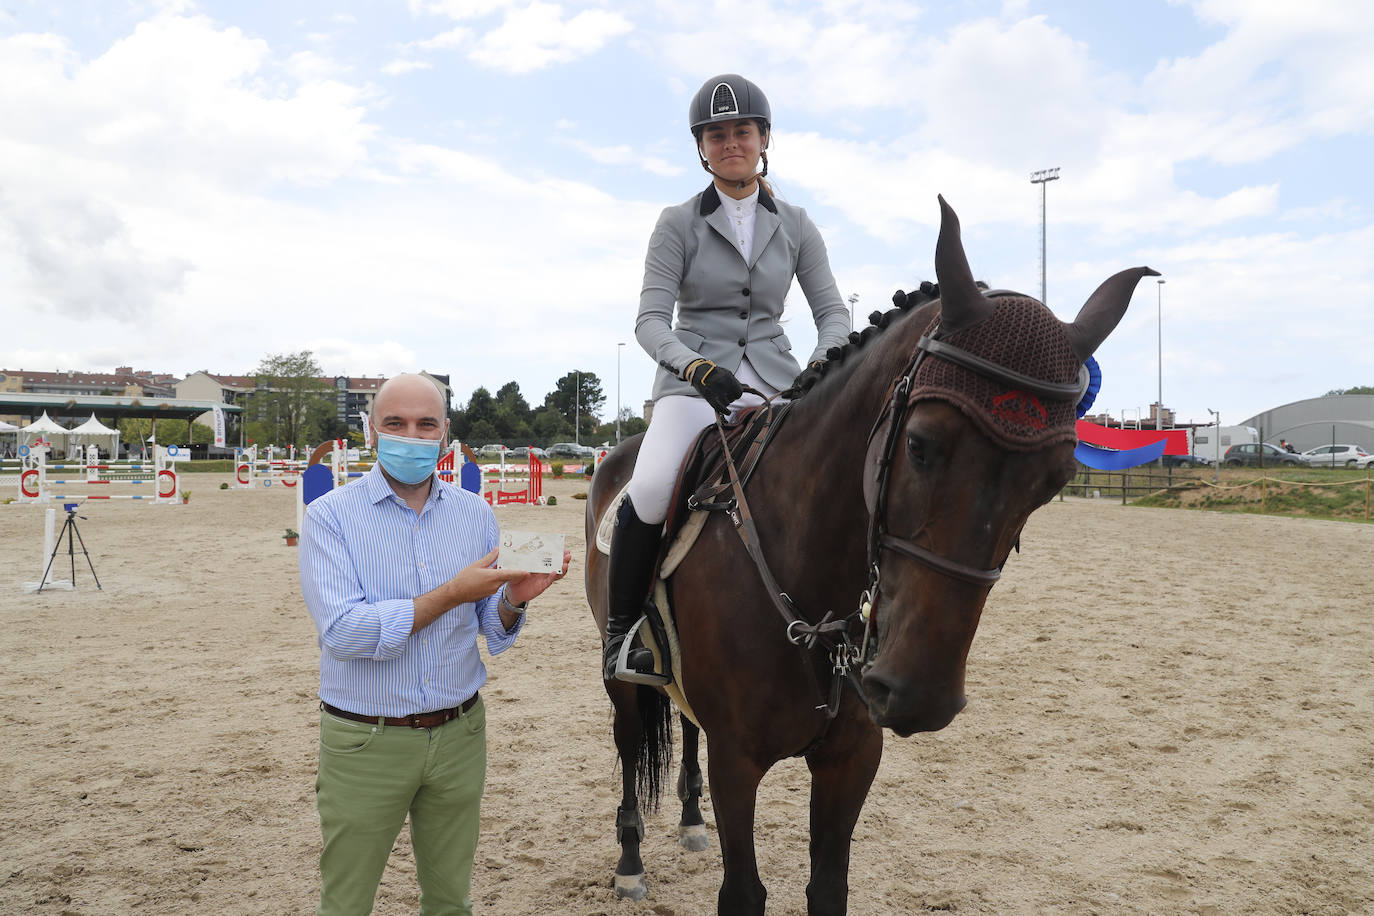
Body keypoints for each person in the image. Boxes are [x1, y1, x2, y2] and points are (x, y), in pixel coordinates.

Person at [602, 74, 851, 682]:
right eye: (716, 134)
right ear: (702, 147)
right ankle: (625, 634)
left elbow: (834, 314)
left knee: (836, 481)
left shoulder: (796, 224)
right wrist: (693, 366)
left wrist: (820, 367)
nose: (730, 142)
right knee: (655, 484)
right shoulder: (677, 222)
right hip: (695, 383)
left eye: (742, 130)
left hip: (777, 382)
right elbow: (650, 320)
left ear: (764, 138)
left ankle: (854, 619)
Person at [299, 373, 570, 915]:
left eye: (426, 424)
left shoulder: (474, 514)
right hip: (366, 740)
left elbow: (490, 629)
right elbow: (345, 633)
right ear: (372, 431)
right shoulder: (329, 517)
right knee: (346, 902)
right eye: (395, 423)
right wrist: (450, 594)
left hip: (459, 733)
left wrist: (514, 599)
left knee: (451, 900)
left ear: (446, 432)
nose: (412, 435)